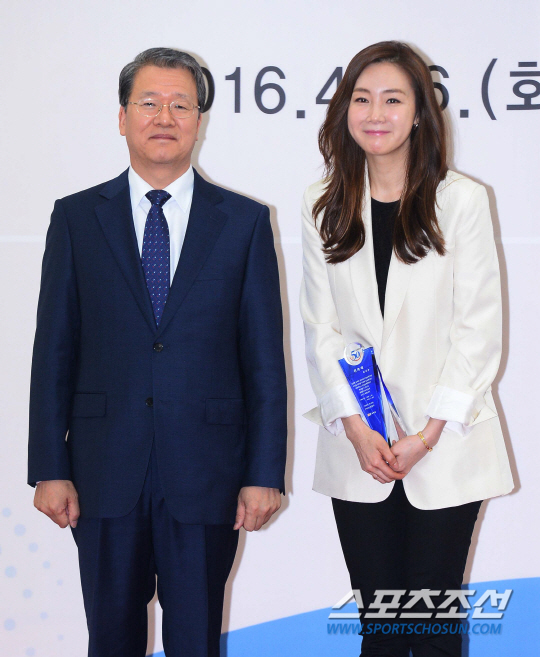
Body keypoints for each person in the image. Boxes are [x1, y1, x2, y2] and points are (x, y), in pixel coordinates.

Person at [28, 47, 287, 657]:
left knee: (196, 642)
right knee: (110, 640)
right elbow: (53, 350)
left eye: (180, 105)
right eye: (149, 103)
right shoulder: (76, 218)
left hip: (207, 474)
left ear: (199, 120)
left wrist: (263, 474)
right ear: (122, 117)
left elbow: (263, 362)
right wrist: (48, 465)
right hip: (102, 473)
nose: (164, 117)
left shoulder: (244, 222)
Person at [300, 41, 513, 656]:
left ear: (419, 112)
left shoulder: (461, 199)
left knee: (436, 626)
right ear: (344, 110)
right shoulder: (322, 204)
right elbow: (321, 328)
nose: (376, 113)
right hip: (360, 450)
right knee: (381, 630)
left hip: (444, 444)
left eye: (393, 99)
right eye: (362, 99)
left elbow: (478, 329)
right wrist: (357, 427)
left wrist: (427, 433)